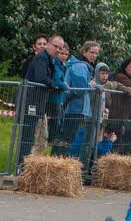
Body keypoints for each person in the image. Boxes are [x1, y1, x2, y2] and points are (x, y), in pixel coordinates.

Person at [17, 34, 63, 170]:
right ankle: (21, 166)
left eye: (60, 48)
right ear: (49, 44)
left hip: (39, 102)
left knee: (34, 137)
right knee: (28, 135)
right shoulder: (41, 58)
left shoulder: (50, 60)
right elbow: (41, 78)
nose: (58, 50)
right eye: (56, 46)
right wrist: (56, 84)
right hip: (31, 100)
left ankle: (26, 166)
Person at [63, 41, 100, 162]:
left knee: (67, 139)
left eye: (96, 53)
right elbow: (80, 89)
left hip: (75, 107)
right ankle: (62, 163)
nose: (94, 55)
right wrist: (91, 84)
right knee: (67, 140)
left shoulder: (82, 65)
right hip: (74, 107)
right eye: (91, 52)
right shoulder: (80, 66)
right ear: (84, 51)